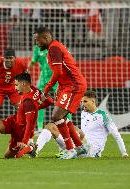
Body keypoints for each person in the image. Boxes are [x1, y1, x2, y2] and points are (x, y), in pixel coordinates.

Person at [0, 72, 54, 158]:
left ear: (23, 84)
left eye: (16, 85)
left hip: (20, 131)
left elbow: (30, 126)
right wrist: (39, 104)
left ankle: (31, 149)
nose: (15, 88)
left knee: (8, 156)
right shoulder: (34, 90)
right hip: (14, 120)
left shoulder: (28, 102)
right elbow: (50, 101)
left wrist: (23, 142)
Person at [34, 26, 88, 159]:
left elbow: (58, 72)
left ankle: (71, 150)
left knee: (56, 116)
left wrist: (45, 90)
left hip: (74, 85)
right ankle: (80, 147)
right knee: (60, 117)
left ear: (45, 38)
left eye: (37, 40)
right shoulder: (54, 47)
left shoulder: (54, 48)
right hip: (67, 86)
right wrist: (59, 90)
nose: (36, 43)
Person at [80, 90, 128, 158]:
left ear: (93, 101)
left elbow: (116, 135)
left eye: (85, 101)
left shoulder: (103, 116)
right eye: (82, 101)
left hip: (93, 150)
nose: (82, 104)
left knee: (73, 129)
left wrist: (124, 153)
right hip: (83, 146)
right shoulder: (83, 113)